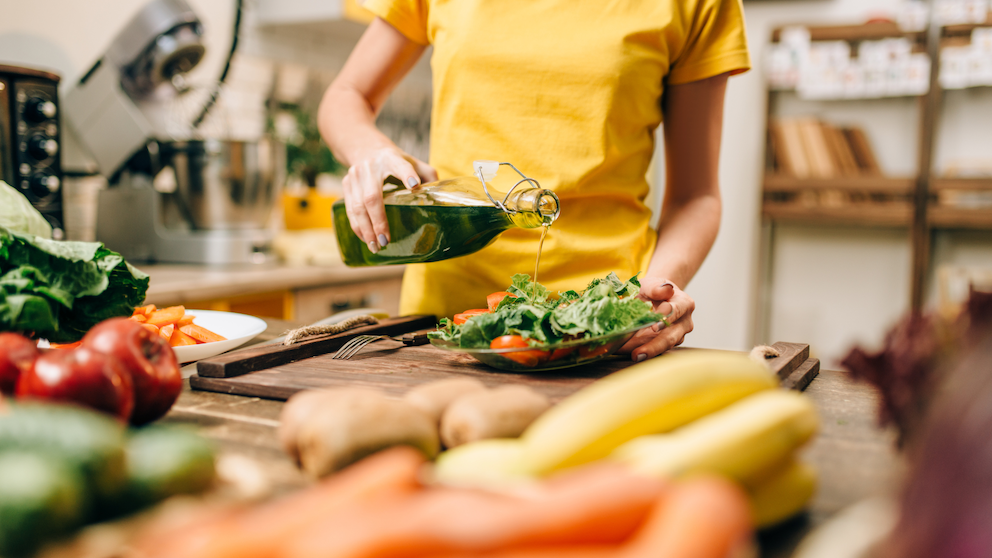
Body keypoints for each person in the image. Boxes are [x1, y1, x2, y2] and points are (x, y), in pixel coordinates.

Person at [318, 0, 751, 361]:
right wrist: (371, 152)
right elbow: (346, 96)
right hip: (446, 328)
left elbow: (696, 197)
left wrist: (655, 295)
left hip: (604, 331)